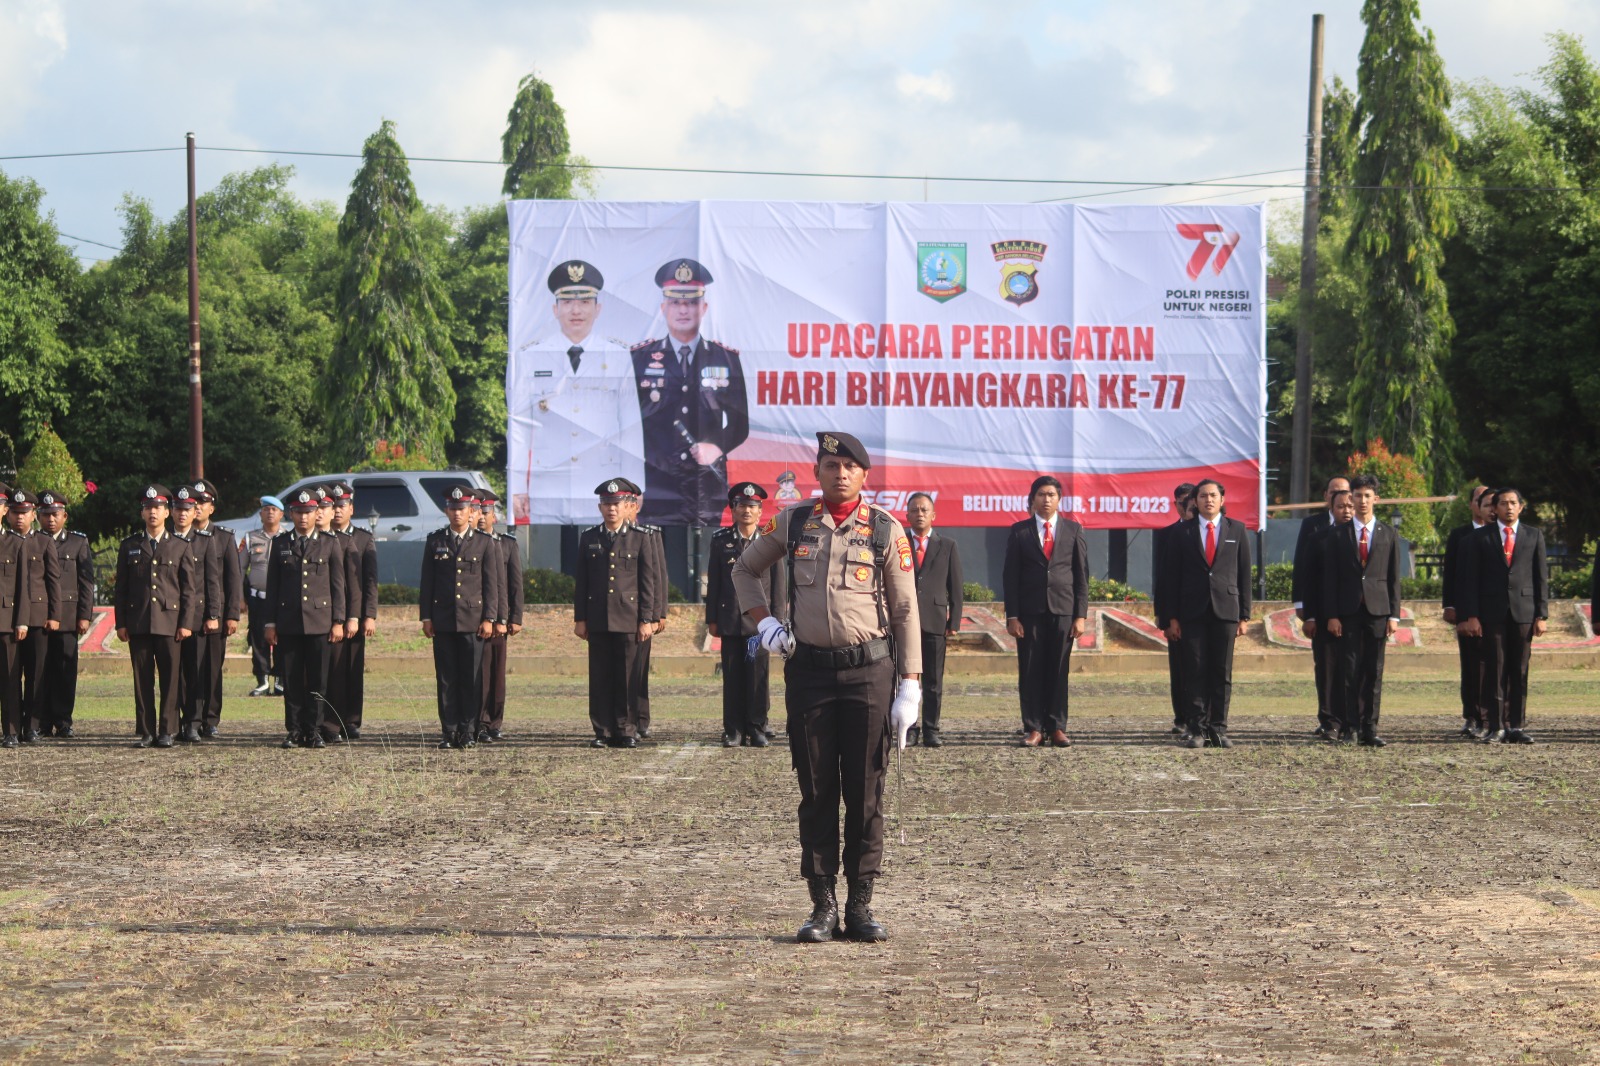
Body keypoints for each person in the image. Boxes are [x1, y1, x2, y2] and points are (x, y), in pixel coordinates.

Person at [731, 431, 921, 944]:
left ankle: (860, 904)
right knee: (816, 790)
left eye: (850, 466)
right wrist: (763, 624)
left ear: (864, 475)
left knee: (865, 790)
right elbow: (745, 569)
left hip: (870, 673)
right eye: (831, 464)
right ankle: (822, 906)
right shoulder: (794, 522)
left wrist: (911, 684)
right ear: (818, 471)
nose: (840, 473)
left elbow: (905, 609)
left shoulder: (886, 530)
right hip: (810, 673)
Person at [508, 260, 644, 524]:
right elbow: (519, 428)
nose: (576, 310)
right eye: (568, 302)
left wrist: (634, 485)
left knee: (604, 560)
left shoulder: (618, 356)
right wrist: (516, 486)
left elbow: (630, 425)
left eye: (584, 302)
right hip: (547, 484)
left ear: (598, 308)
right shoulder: (531, 357)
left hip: (604, 484)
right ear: (555, 309)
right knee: (548, 561)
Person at [630, 258, 750, 525]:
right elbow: (627, 424)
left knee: (708, 559)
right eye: (675, 302)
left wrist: (717, 446)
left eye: (691, 302)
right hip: (655, 483)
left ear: (703, 307)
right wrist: (632, 482)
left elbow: (741, 424)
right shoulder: (640, 358)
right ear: (663, 308)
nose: (683, 309)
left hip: (706, 484)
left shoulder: (725, 359)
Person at [1162, 478, 1251, 749]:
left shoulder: (1237, 529)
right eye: (1203, 496)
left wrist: (1244, 615)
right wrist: (1171, 617)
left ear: (1222, 500)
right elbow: (1169, 577)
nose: (1208, 500)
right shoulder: (1182, 532)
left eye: (1213, 495)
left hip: (1226, 611)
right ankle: (1196, 728)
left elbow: (1244, 573)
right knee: (1194, 670)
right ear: (1195, 501)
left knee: (1221, 671)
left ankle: (1218, 728)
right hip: (1192, 612)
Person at [1002, 475, 1089, 747]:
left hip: (1063, 611)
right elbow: (1010, 576)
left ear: (1059, 499)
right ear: (1033, 499)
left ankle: (1057, 727)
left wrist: (1080, 615)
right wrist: (1012, 616)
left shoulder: (1073, 530)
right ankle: (1034, 728)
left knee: (1058, 670)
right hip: (1029, 613)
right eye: (1041, 494)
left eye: (1051, 494)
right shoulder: (1019, 531)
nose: (1046, 499)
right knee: (1030, 670)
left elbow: (1081, 575)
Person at [1457, 488, 1548, 745]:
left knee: (1518, 670)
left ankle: (1516, 725)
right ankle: (1495, 725)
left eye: (1513, 503)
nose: (1508, 508)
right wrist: (1471, 615)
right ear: (1494, 508)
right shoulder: (1480, 538)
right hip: (1490, 613)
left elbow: (1540, 577)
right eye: (1503, 503)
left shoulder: (1533, 535)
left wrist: (1541, 614)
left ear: (1521, 507)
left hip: (1523, 612)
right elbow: (1470, 581)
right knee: (1494, 670)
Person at [573, 479, 660, 748]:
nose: (611, 509)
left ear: (627, 507)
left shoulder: (640, 538)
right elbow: (582, 582)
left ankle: (626, 729)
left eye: (617, 504)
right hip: (598, 617)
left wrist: (647, 619)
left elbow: (648, 582)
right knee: (600, 677)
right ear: (600, 507)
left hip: (629, 618)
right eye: (607, 504)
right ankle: (603, 730)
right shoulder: (589, 537)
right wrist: (580, 618)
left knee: (627, 677)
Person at [114, 485, 199, 749]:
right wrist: (121, 623)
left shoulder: (179, 546)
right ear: (142, 513)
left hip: (169, 623)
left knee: (171, 678)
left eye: (158, 508)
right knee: (142, 680)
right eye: (148, 508)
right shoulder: (130, 546)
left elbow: (188, 591)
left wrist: (186, 623)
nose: (153, 512)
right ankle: (146, 731)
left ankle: (167, 730)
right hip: (138, 622)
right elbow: (122, 589)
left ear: (167, 512)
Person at [1321, 475, 1401, 747]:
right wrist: (1332, 614)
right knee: (1349, 670)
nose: (1362, 501)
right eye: (1358, 496)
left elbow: (1393, 579)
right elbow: (1329, 578)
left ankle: (1370, 728)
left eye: (1368, 496)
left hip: (1378, 611)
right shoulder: (1338, 534)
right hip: (1347, 611)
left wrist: (1394, 615)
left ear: (1375, 499)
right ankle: (1350, 728)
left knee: (1374, 671)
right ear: (1351, 499)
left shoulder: (1388, 533)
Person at [419, 486, 501, 750]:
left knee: (471, 678)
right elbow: (427, 582)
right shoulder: (435, 541)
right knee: (446, 678)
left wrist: (489, 617)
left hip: (473, 620)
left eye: (462, 509)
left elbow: (491, 584)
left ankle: (468, 730)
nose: (457, 514)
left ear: (471, 512)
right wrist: (426, 617)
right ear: (447, 511)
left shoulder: (484, 542)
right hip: (443, 620)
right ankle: (449, 730)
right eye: (453, 509)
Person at [265, 488, 346, 749]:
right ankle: (295, 729)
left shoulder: (329, 542)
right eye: (298, 512)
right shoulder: (280, 543)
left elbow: (337, 586)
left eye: (308, 512)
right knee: (291, 679)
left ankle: (314, 729)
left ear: (316, 513)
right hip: (288, 622)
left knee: (318, 680)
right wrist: (270, 622)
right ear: (291, 513)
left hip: (320, 622)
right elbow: (273, 587)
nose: (303, 517)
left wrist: (338, 621)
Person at [705, 481, 784, 748]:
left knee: (757, 677)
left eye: (752, 507)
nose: (747, 511)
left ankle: (757, 727)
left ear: (760, 512)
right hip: (729, 622)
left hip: (759, 625)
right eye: (742, 506)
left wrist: (778, 622)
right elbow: (714, 583)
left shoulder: (770, 541)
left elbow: (779, 585)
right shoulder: (721, 541)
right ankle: (734, 730)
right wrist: (712, 619)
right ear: (733, 509)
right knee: (733, 677)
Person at [1292, 475, 1350, 737]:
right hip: (1320, 608)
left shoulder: (1360, 529)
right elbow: (1302, 568)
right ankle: (1328, 719)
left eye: (1346, 493)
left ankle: (1350, 719)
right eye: (1335, 493)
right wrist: (1304, 606)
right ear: (1327, 496)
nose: (1343, 499)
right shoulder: (1313, 526)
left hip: (1352, 611)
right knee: (1326, 666)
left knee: (1351, 666)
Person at [905, 491, 963, 748]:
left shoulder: (947, 545)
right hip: (903, 622)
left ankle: (931, 729)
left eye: (924, 510)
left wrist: (955, 621)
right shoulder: (897, 543)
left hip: (935, 620)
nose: (919, 514)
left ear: (933, 515)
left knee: (933, 681)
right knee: (906, 680)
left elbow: (956, 586)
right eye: (915, 510)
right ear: (907, 515)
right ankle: (908, 728)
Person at [36, 490, 93, 739]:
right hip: (38, 614)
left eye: (55, 514)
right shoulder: (32, 541)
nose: (50, 519)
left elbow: (86, 581)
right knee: (40, 669)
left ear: (65, 516)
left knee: (65, 669)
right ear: (38, 515)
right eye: (46, 514)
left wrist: (84, 615)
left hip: (69, 617)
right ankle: (41, 721)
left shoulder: (77, 542)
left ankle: (63, 720)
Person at [190, 480, 242, 739]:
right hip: (187, 614)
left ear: (212, 508)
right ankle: (190, 717)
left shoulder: (224, 537)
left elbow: (233, 579)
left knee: (211, 668)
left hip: (216, 614)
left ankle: (210, 718)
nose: (197, 507)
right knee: (187, 669)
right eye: (193, 502)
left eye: (203, 503)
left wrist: (232, 614)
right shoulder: (180, 536)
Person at [171, 485, 223, 744]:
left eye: (187, 509)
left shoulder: (205, 541)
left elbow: (213, 580)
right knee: (174, 674)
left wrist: (213, 613)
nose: (183, 514)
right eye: (178, 509)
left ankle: (193, 722)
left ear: (195, 513)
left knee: (195, 672)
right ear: (172, 512)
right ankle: (173, 722)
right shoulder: (165, 539)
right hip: (169, 616)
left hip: (197, 616)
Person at [327, 481, 379, 741]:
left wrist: (368, 614)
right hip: (327, 615)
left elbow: (370, 580)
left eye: (342, 506)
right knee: (331, 670)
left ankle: (352, 720)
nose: (337, 511)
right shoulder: (323, 536)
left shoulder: (363, 538)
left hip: (355, 614)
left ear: (351, 509)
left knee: (352, 668)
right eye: (334, 506)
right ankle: (331, 722)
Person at [1441, 485, 1493, 739]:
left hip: (1496, 612)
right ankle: (1472, 715)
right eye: (1480, 500)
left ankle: (1494, 716)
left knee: (1496, 666)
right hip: (1467, 611)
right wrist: (1450, 605)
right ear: (1473, 505)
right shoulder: (1460, 535)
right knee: (1471, 666)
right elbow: (1450, 573)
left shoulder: (1503, 535)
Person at [9, 490, 60, 746]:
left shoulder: (44, 541)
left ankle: (33, 726)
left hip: (39, 616)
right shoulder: (5, 541)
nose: (20, 517)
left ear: (33, 515)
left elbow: (53, 580)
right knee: (11, 673)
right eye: (16, 513)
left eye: (25, 513)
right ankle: (13, 727)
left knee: (36, 673)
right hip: (8, 617)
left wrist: (55, 615)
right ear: (8, 514)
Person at [475, 489, 523, 743]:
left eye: (486, 512)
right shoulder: (468, 543)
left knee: (496, 673)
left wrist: (513, 618)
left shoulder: (506, 544)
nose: (481, 517)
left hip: (500, 620)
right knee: (477, 673)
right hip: (473, 617)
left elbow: (514, 584)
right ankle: (478, 721)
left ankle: (494, 722)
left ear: (494, 515)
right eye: (478, 512)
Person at [622, 489, 668, 739]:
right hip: (623, 615)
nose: (623, 509)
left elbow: (657, 576)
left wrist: (658, 613)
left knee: (639, 669)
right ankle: (625, 720)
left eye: (629, 505)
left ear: (635, 508)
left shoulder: (649, 535)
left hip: (644, 613)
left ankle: (640, 718)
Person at [1152, 483, 1197, 735]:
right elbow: (1162, 579)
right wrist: (1164, 617)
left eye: (1193, 501)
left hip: (1204, 611)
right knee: (1180, 667)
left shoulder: (1212, 530)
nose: (1189, 506)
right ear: (1176, 505)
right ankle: (1181, 717)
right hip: (1176, 612)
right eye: (1183, 502)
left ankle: (1203, 718)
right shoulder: (1167, 534)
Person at [243, 496, 285, 696]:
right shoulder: (250, 538)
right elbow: (239, 569)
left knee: (283, 638)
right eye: (266, 510)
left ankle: (280, 680)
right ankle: (262, 680)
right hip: (258, 598)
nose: (270, 513)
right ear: (260, 514)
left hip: (282, 599)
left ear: (282, 514)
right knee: (258, 638)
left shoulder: (288, 537)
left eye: (274, 510)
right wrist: (240, 598)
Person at [0, 487, 29, 748]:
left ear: (4, 510)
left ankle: (11, 730)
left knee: (9, 677)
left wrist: (21, 620)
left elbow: (23, 587)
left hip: (6, 621)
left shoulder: (15, 543)